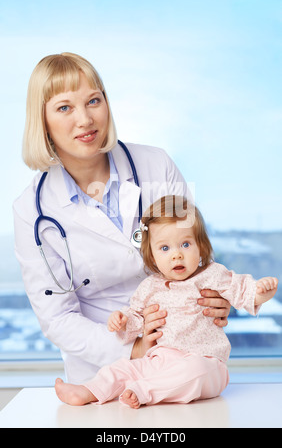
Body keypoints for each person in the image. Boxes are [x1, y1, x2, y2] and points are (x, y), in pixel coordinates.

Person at [14, 52, 231, 384]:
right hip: (100, 369)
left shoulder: (155, 166)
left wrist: (213, 299)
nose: (85, 119)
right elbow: (57, 317)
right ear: (41, 121)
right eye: (64, 107)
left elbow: (194, 256)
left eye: (93, 100)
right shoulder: (32, 210)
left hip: (180, 348)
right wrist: (134, 350)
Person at [54, 195, 278, 408]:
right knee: (122, 369)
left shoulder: (211, 274)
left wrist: (260, 292)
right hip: (160, 360)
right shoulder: (150, 287)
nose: (176, 255)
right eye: (165, 248)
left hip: (205, 360)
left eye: (186, 244)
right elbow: (136, 319)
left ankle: (143, 391)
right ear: (152, 256)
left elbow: (241, 290)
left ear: (201, 246)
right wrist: (122, 320)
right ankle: (88, 391)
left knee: (195, 372)